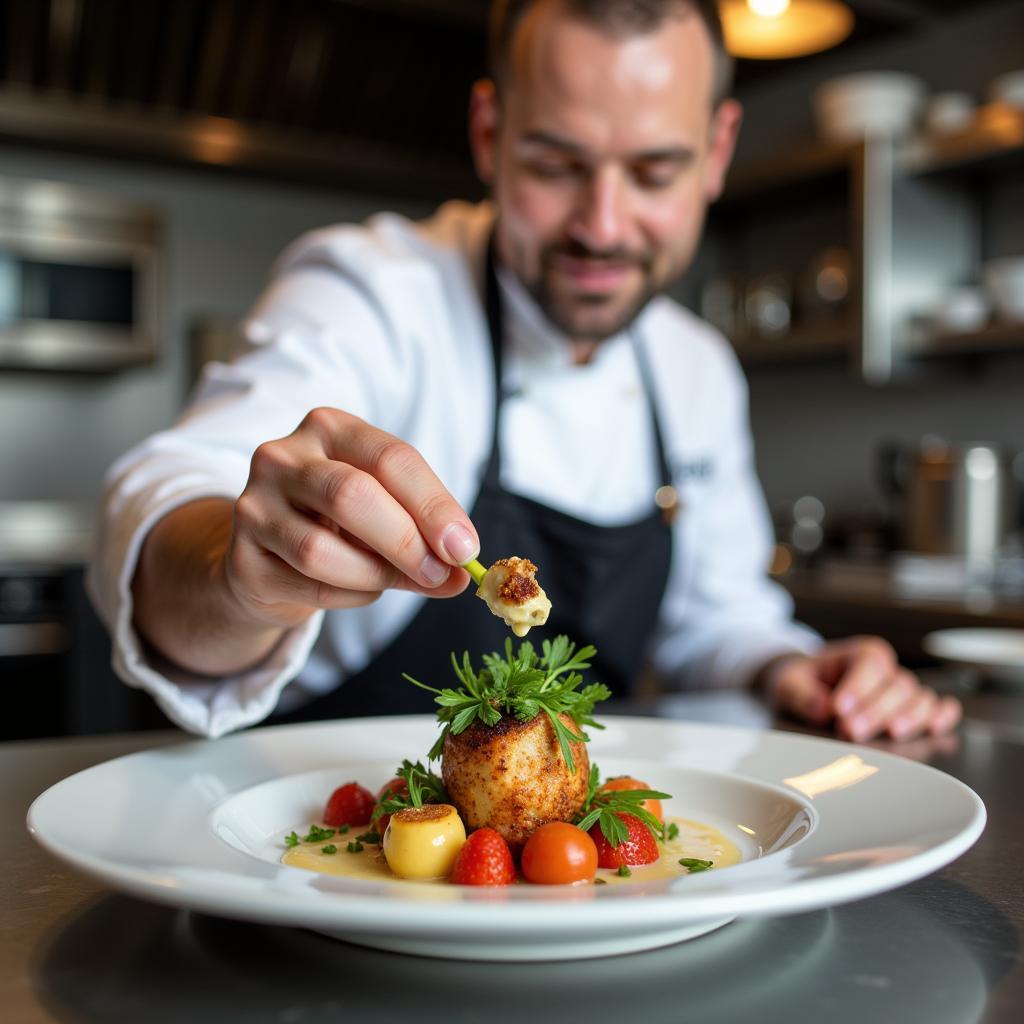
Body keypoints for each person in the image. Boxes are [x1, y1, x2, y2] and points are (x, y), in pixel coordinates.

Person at [88, 0, 961, 742]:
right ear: (489, 134)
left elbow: (717, 618)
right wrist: (239, 576)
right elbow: (171, 504)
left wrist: (794, 669)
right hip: (328, 843)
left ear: (718, 150)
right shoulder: (374, 290)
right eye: (556, 165)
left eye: (655, 171)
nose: (605, 225)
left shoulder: (696, 368)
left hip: (586, 878)